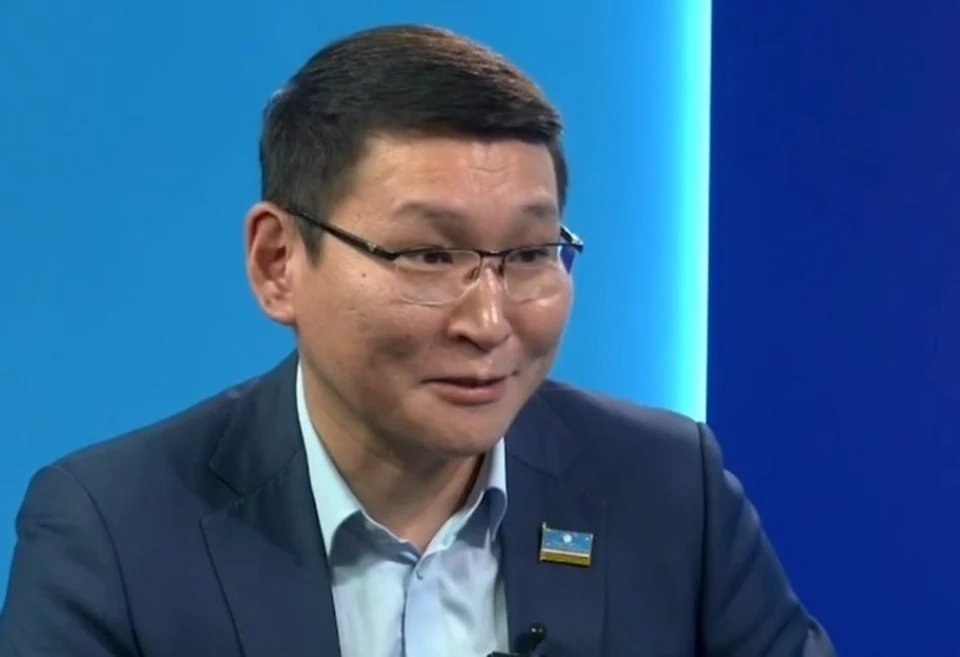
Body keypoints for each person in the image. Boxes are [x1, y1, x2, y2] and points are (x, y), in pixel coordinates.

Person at [0, 24, 834, 657]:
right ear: (279, 262)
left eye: (530, 254)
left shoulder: (668, 490)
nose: (489, 321)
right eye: (431, 255)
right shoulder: (113, 533)